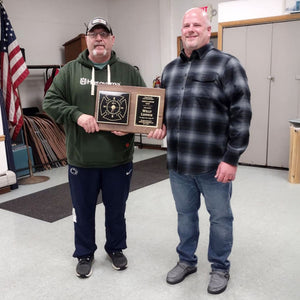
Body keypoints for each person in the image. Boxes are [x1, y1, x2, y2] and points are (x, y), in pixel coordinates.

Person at [149, 7, 251, 295]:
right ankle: (186, 260)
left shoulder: (227, 65)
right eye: (186, 25)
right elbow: (165, 112)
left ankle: (219, 267)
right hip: (179, 163)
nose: (191, 29)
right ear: (181, 31)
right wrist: (160, 126)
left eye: (197, 24)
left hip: (213, 163)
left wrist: (232, 158)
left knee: (220, 217)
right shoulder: (170, 70)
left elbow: (241, 113)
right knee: (185, 214)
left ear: (209, 30)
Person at [43, 17, 146, 278]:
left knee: (117, 210)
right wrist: (77, 115)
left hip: (118, 160)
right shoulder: (68, 72)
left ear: (112, 39)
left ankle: (115, 248)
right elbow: (51, 103)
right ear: (86, 39)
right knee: (83, 211)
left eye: (104, 34)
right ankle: (84, 252)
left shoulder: (128, 72)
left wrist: (131, 126)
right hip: (82, 160)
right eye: (93, 34)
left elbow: (145, 107)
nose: (98, 38)